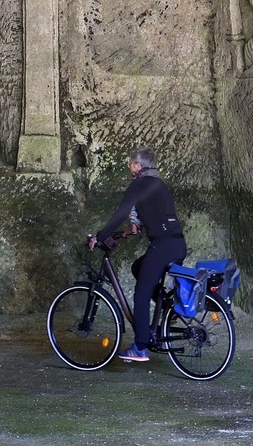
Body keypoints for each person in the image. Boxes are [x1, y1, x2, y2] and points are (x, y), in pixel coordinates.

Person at [90, 147, 187, 363]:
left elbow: (120, 213)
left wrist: (100, 236)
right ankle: (168, 309)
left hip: (163, 246)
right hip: (178, 245)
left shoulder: (140, 184)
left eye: (130, 164)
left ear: (138, 165)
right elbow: (154, 211)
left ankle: (141, 347)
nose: (129, 167)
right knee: (138, 268)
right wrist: (134, 226)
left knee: (141, 293)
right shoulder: (157, 183)